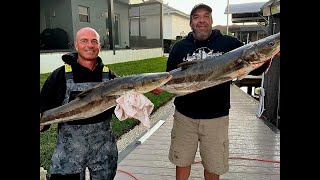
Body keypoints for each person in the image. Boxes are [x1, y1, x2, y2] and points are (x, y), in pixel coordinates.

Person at [152, 3, 272, 180]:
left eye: (205, 16)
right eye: (196, 17)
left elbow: (253, 69)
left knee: (213, 165)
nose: (201, 20)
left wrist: (270, 53)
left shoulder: (230, 44)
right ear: (191, 23)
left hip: (216, 118)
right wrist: (158, 88)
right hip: (185, 117)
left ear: (211, 20)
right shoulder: (178, 47)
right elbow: (169, 79)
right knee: (182, 161)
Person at [40, 27, 118, 180]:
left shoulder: (109, 76)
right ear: (76, 45)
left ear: (99, 46)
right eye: (84, 41)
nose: (90, 45)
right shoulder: (60, 75)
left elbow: (120, 109)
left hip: (103, 150)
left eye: (94, 41)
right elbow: (43, 105)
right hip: (69, 153)